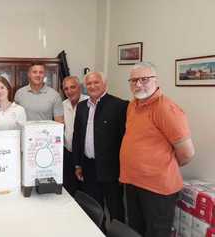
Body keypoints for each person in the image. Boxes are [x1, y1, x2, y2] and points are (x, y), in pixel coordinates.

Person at [120, 62, 195, 237]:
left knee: (156, 233)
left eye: (144, 79)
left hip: (157, 188)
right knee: (135, 230)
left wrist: (159, 166)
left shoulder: (165, 108)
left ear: (155, 80)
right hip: (133, 181)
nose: (138, 84)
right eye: (134, 80)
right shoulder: (133, 105)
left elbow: (187, 153)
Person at [72, 71, 128, 224]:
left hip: (112, 170)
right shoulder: (82, 106)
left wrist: (124, 170)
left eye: (96, 82)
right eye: (89, 83)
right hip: (88, 167)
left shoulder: (119, 105)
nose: (92, 86)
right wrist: (78, 164)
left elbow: (125, 140)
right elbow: (77, 137)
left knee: (115, 209)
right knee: (94, 208)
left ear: (105, 84)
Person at [62, 76, 88, 196]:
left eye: (73, 87)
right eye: (66, 88)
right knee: (69, 187)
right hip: (68, 152)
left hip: (84, 155)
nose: (70, 91)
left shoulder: (89, 102)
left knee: (85, 188)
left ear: (80, 87)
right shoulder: (62, 105)